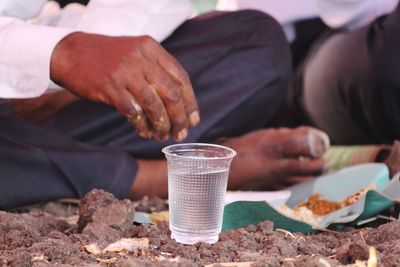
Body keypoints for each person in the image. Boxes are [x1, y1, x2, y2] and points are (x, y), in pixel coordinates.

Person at [0, 0, 330, 208]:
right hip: (25, 56)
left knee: (254, 46)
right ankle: (160, 177)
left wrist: (90, 68)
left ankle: (42, 158)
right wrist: (57, 55)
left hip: (31, 80)